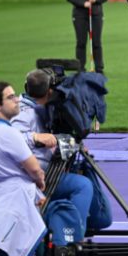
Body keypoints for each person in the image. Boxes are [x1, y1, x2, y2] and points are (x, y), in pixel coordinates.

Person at [10, 70, 94, 241]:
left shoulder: (41, 108)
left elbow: (52, 139)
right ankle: (71, 239)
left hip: (41, 172)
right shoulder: (25, 113)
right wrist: (33, 137)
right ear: (49, 91)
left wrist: (74, 144)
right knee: (83, 185)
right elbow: (10, 139)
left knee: (85, 178)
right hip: (35, 177)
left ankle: (65, 227)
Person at [0, 81, 46, 256]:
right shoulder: (8, 133)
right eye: (10, 97)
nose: (17, 100)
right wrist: (40, 181)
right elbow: (35, 169)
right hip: (12, 198)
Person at [66, 0, 109, 73]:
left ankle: (99, 68)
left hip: (96, 15)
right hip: (80, 15)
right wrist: (82, 3)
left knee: (96, 42)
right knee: (81, 42)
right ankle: (80, 68)